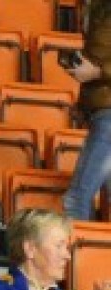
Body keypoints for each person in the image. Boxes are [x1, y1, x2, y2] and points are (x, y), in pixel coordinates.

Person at [62, 0, 111, 220]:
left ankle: (75, 243)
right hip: (102, 110)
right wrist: (84, 105)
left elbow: (96, 67)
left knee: (76, 199)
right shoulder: (96, 6)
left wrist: (97, 72)